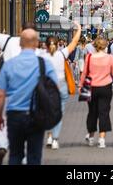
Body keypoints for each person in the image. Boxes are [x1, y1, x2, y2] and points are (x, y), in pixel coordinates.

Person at [0, 29, 58, 165]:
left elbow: (1, 94)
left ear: (20, 43)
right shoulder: (44, 64)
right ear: (36, 44)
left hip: (14, 115)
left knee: (15, 154)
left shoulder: (9, 64)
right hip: (36, 115)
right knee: (34, 156)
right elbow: (54, 88)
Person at [0, 22, 39, 165]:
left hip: (8, 90)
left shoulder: (7, 40)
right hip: (29, 94)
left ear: (20, 30)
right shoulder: (37, 51)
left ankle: (1, 146)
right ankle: (24, 157)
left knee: (4, 122)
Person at [79, 37, 113, 148]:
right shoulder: (109, 58)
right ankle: (101, 139)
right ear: (106, 46)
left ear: (95, 45)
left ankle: (91, 137)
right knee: (104, 112)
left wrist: (80, 85)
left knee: (92, 112)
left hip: (91, 87)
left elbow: (84, 72)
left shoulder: (89, 57)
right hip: (105, 87)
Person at [44, 22, 82, 150]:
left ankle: (49, 136)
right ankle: (55, 139)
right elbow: (75, 42)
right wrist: (79, 28)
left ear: (46, 45)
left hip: (47, 86)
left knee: (47, 113)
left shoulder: (42, 55)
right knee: (58, 113)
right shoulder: (62, 54)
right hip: (60, 86)